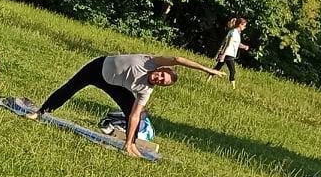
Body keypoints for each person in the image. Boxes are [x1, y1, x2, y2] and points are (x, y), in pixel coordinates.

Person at [25, 54, 222, 158]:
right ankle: (40, 112)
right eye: (162, 75)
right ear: (161, 69)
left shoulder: (146, 90)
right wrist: (205, 68)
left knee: (133, 112)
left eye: (163, 82)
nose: (160, 79)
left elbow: (135, 116)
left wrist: (128, 142)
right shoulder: (150, 62)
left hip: (114, 85)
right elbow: (178, 60)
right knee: (69, 88)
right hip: (98, 68)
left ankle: (130, 145)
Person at [212, 17, 251, 87]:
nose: (245, 28)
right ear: (240, 25)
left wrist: (244, 46)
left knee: (217, 67)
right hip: (228, 54)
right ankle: (233, 87)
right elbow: (228, 45)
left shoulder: (235, 32)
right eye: (244, 26)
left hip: (228, 54)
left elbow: (237, 44)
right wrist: (223, 55)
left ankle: (208, 79)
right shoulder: (233, 33)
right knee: (232, 71)